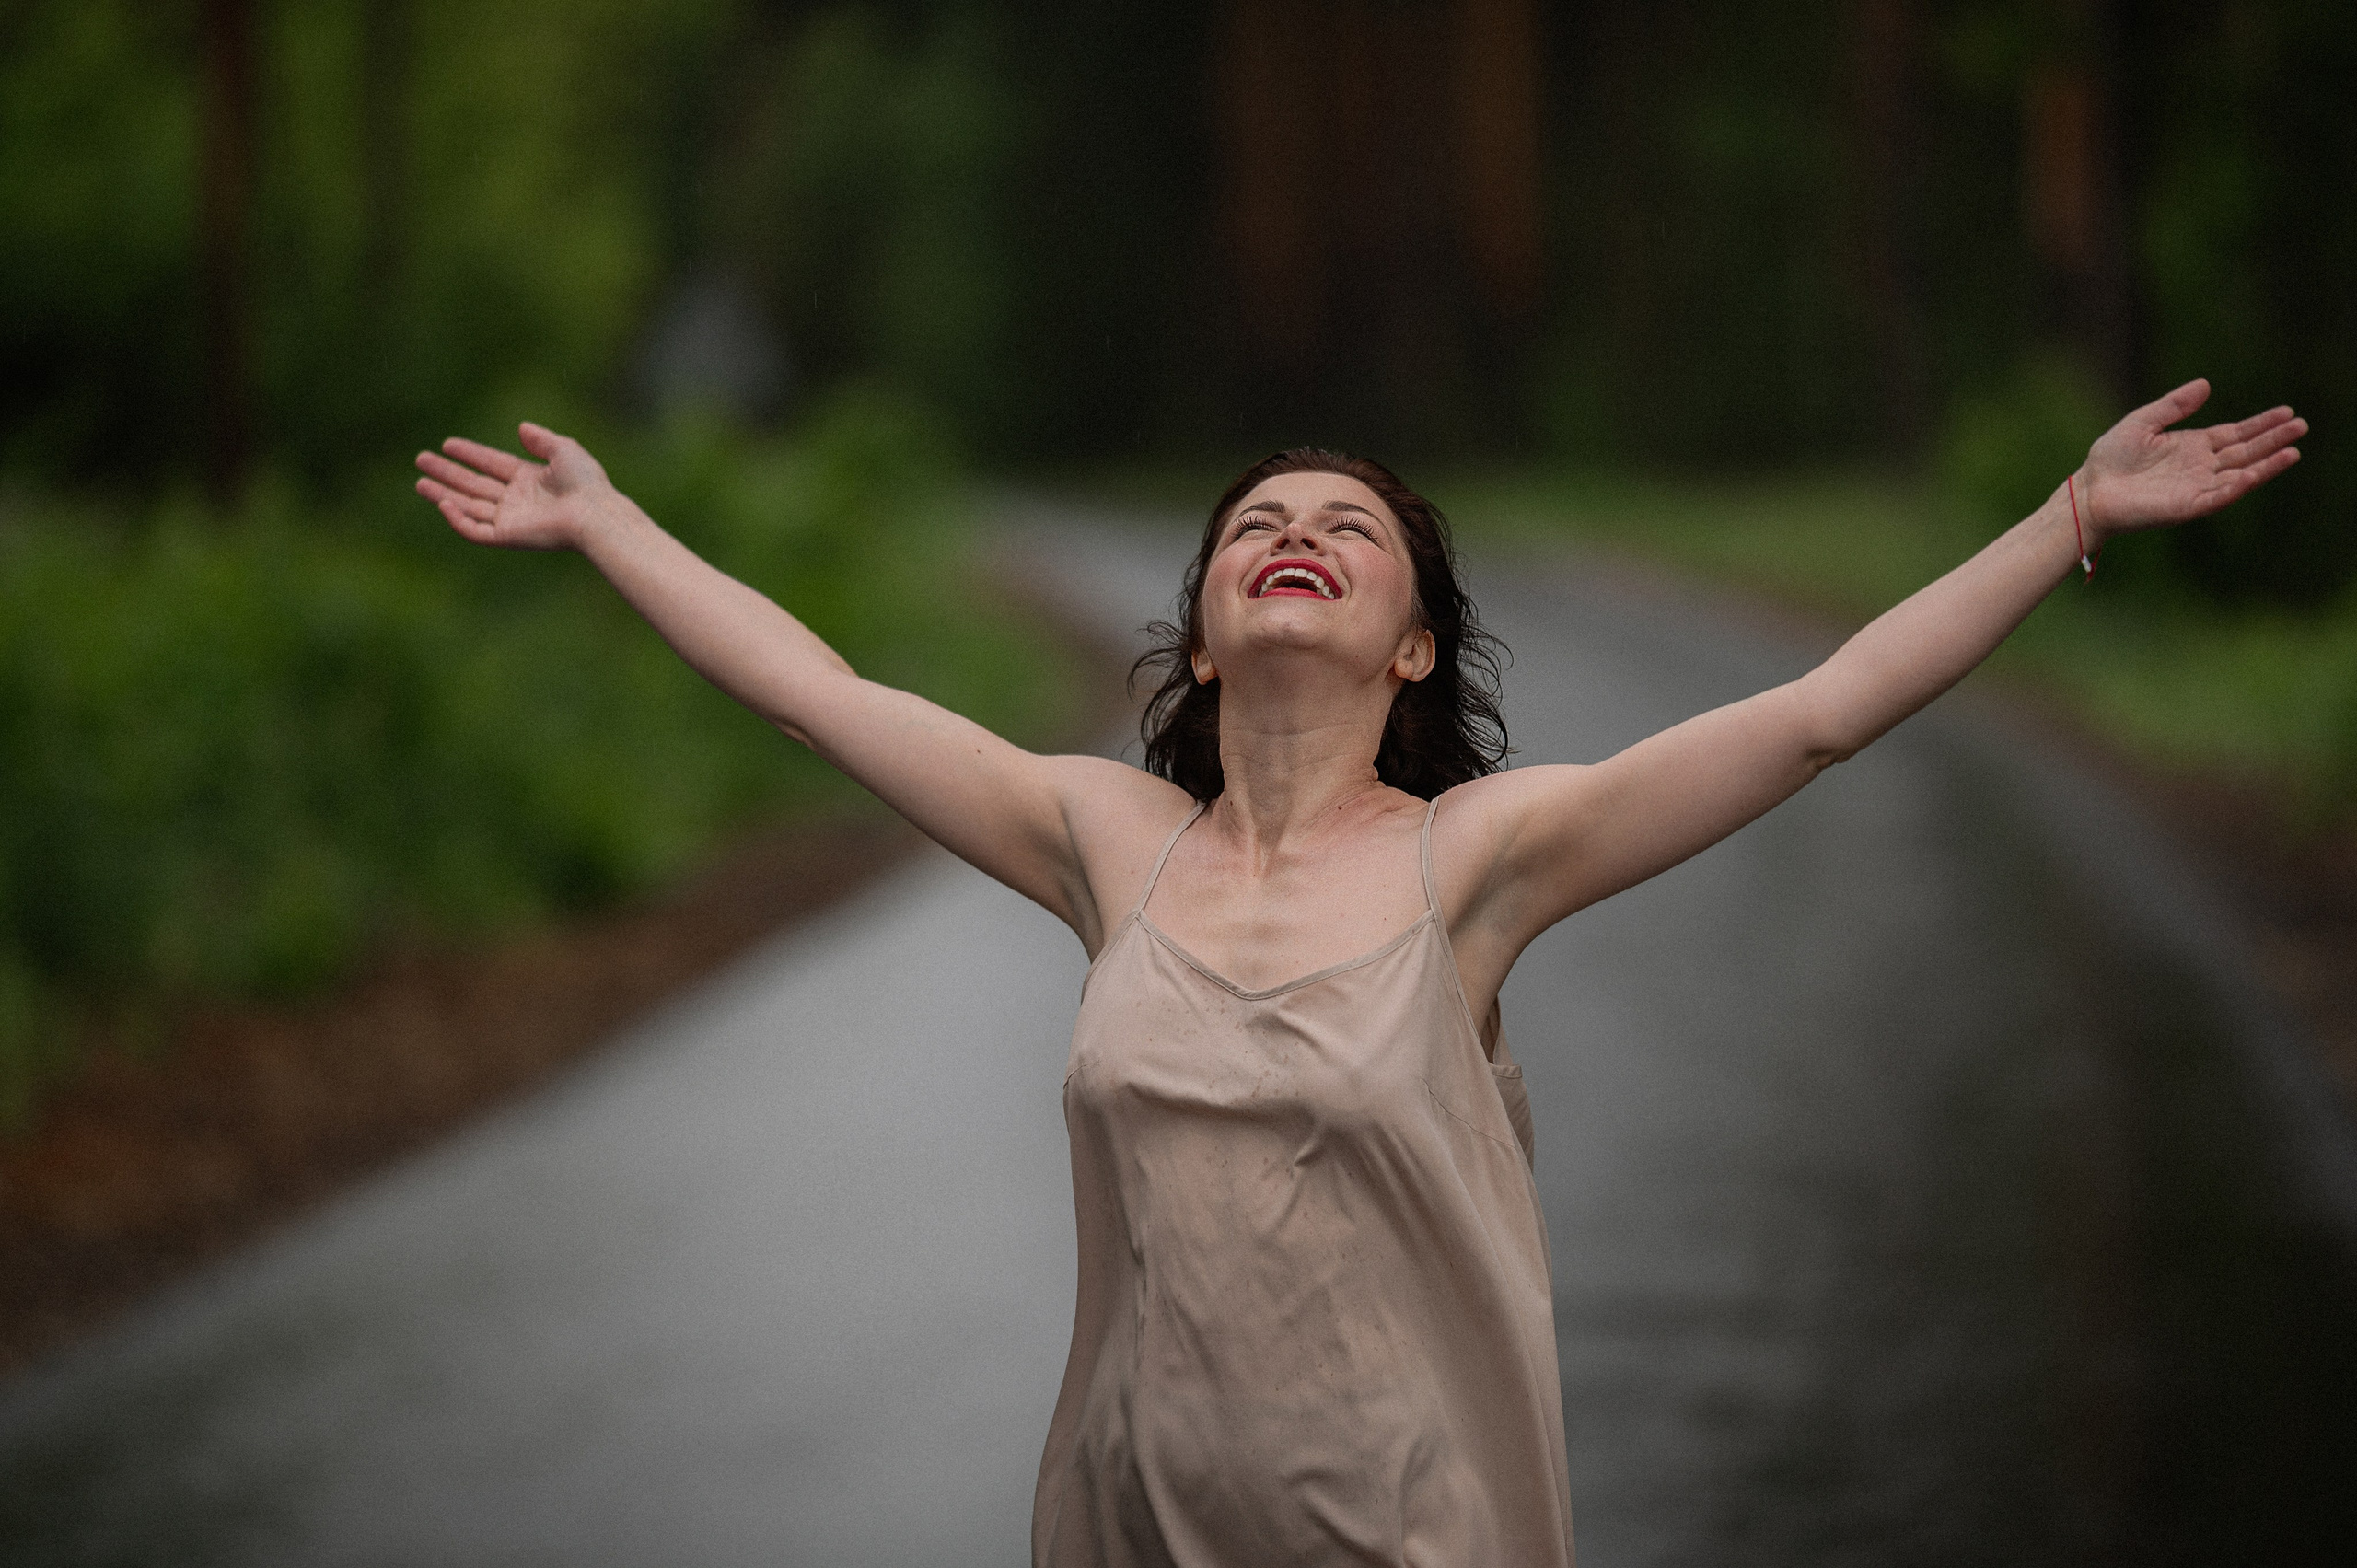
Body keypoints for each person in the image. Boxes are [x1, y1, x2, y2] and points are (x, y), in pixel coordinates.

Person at [416, 379, 2303, 1566]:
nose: (1293, 537)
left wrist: (2064, 520)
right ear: (1207, 637)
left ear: (1411, 650)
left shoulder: (1472, 861)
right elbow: (823, 698)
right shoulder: (1103, 842)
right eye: (1256, 524)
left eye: (1345, 531)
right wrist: (604, 524)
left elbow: (1811, 715)